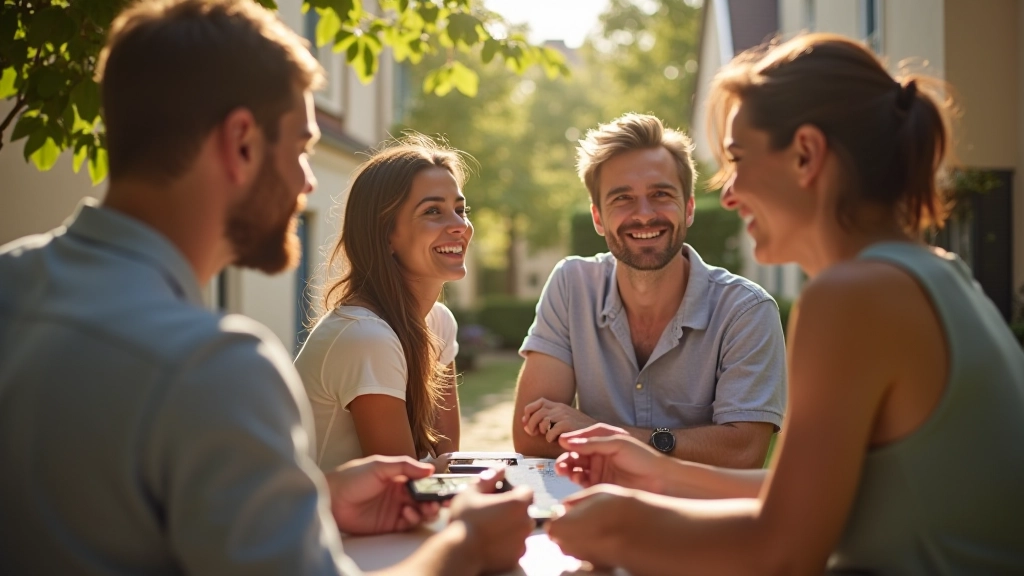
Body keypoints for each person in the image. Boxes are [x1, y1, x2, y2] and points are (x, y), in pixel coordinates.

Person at [0, 1, 533, 574]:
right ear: (242, 143)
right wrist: (467, 545)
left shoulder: (11, 280)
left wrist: (322, 495)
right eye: (303, 147)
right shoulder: (216, 365)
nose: (307, 182)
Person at [546, 33, 1024, 575]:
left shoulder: (854, 295)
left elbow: (784, 552)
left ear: (806, 155)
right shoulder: (932, 272)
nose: (726, 194)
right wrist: (657, 474)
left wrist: (616, 532)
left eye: (738, 159)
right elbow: (803, 496)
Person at [512, 113, 786, 467]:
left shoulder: (746, 311)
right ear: (598, 218)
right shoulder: (570, 286)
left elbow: (743, 452)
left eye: (660, 194)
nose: (644, 215)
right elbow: (532, 434)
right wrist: (682, 446)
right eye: (622, 198)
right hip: (598, 509)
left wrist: (605, 434)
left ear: (688, 209)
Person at [295, 136, 471, 470]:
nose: (460, 226)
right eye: (433, 211)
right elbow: (404, 486)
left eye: (460, 210)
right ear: (386, 234)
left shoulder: (438, 323)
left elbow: (449, 463)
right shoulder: (366, 336)